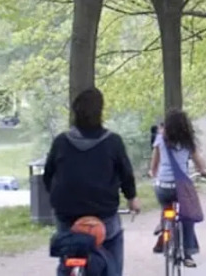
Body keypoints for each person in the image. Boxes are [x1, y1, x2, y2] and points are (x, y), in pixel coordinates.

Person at [43, 87, 141, 275]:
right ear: (100, 112)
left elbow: (48, 175)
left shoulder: (61, 142)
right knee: (112, 244)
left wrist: (59, 199)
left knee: (68, 250)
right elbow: (126, 175)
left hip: (68, 216)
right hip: (103, 215)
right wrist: (132, 198)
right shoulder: (113, 142)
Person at [150, 110, 206, 268]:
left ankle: (164, 224)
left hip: (163, 187)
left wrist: (153, 173)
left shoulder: (160, 139)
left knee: (165, 205)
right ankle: (188, 254)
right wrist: (204, 171)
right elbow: (199, 162)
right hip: (181, 188)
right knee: (187, 217)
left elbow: (154, 164)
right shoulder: (188, 141)